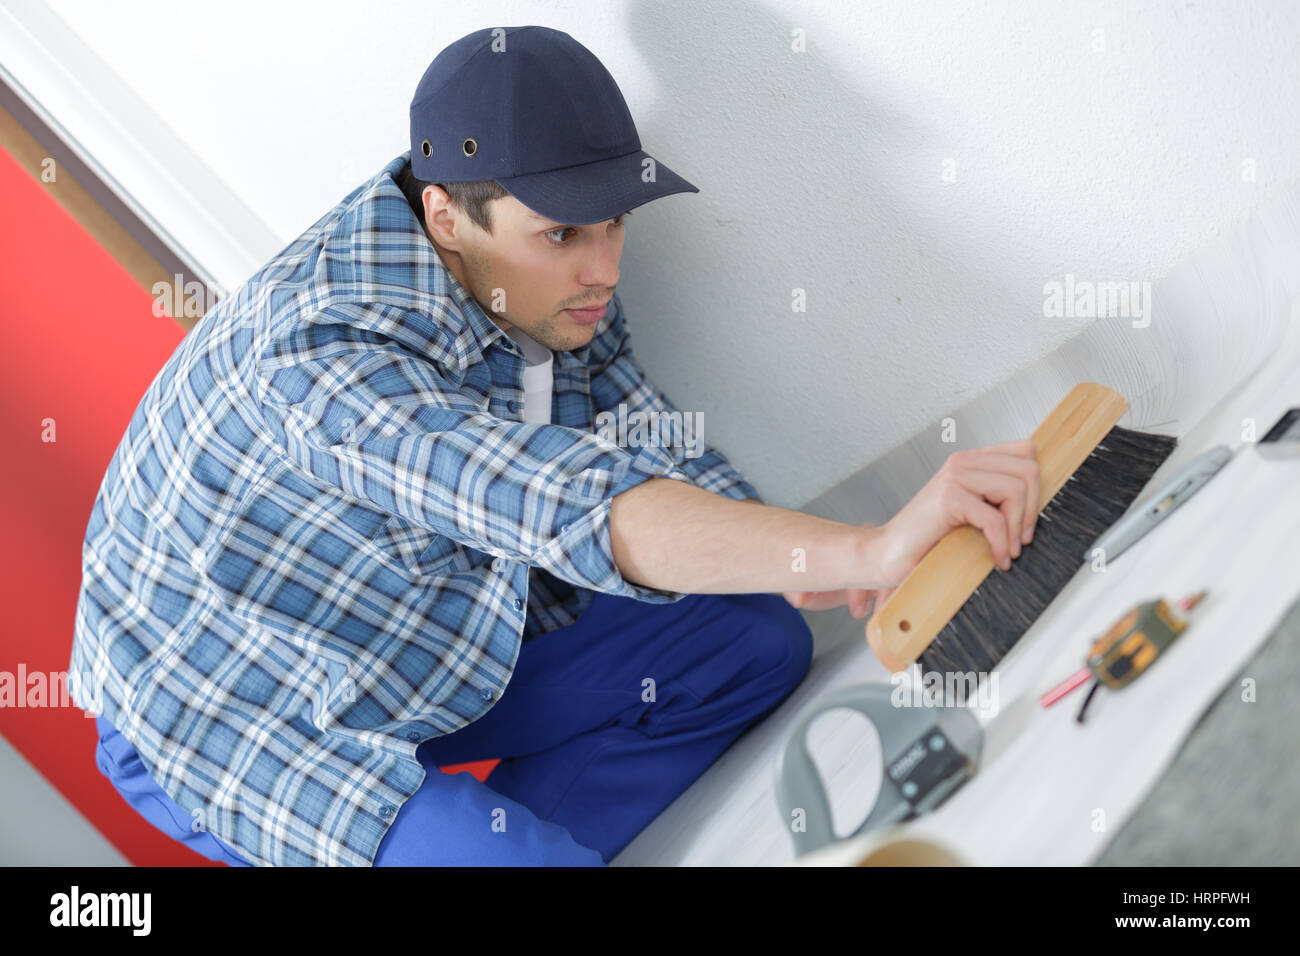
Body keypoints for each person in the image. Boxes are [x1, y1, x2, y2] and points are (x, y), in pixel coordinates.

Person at [72, 25, 1039, 867]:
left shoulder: (533, 279)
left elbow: (637, 436)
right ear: (446, 213)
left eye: (616, 221)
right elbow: (560, 503)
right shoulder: (320, 351)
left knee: (752, 642)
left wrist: (805, 565)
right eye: (567, 234)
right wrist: (862, 546)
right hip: (230, 698)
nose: (605, 267)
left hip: (417, 632)